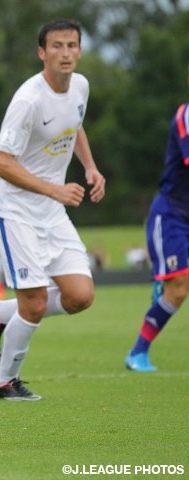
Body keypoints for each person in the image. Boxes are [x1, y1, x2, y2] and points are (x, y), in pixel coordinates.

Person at [0, 19, 106, 400]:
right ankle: (5, 382)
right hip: (15, 210)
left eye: (71, 45)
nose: (65, 53)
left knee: (81, 296)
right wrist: (54, 188)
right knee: (33, 304)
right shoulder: (28, 100)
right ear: (42, 52)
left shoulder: (80, 85)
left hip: (51, 209)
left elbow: (75, 125)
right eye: (57, 46)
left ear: (80, 50)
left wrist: (90, 167)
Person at [125, 71, 189, 372]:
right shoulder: (185, 116)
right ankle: (138, 353)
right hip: (173, 216)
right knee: (178, 290)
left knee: (176, 288)